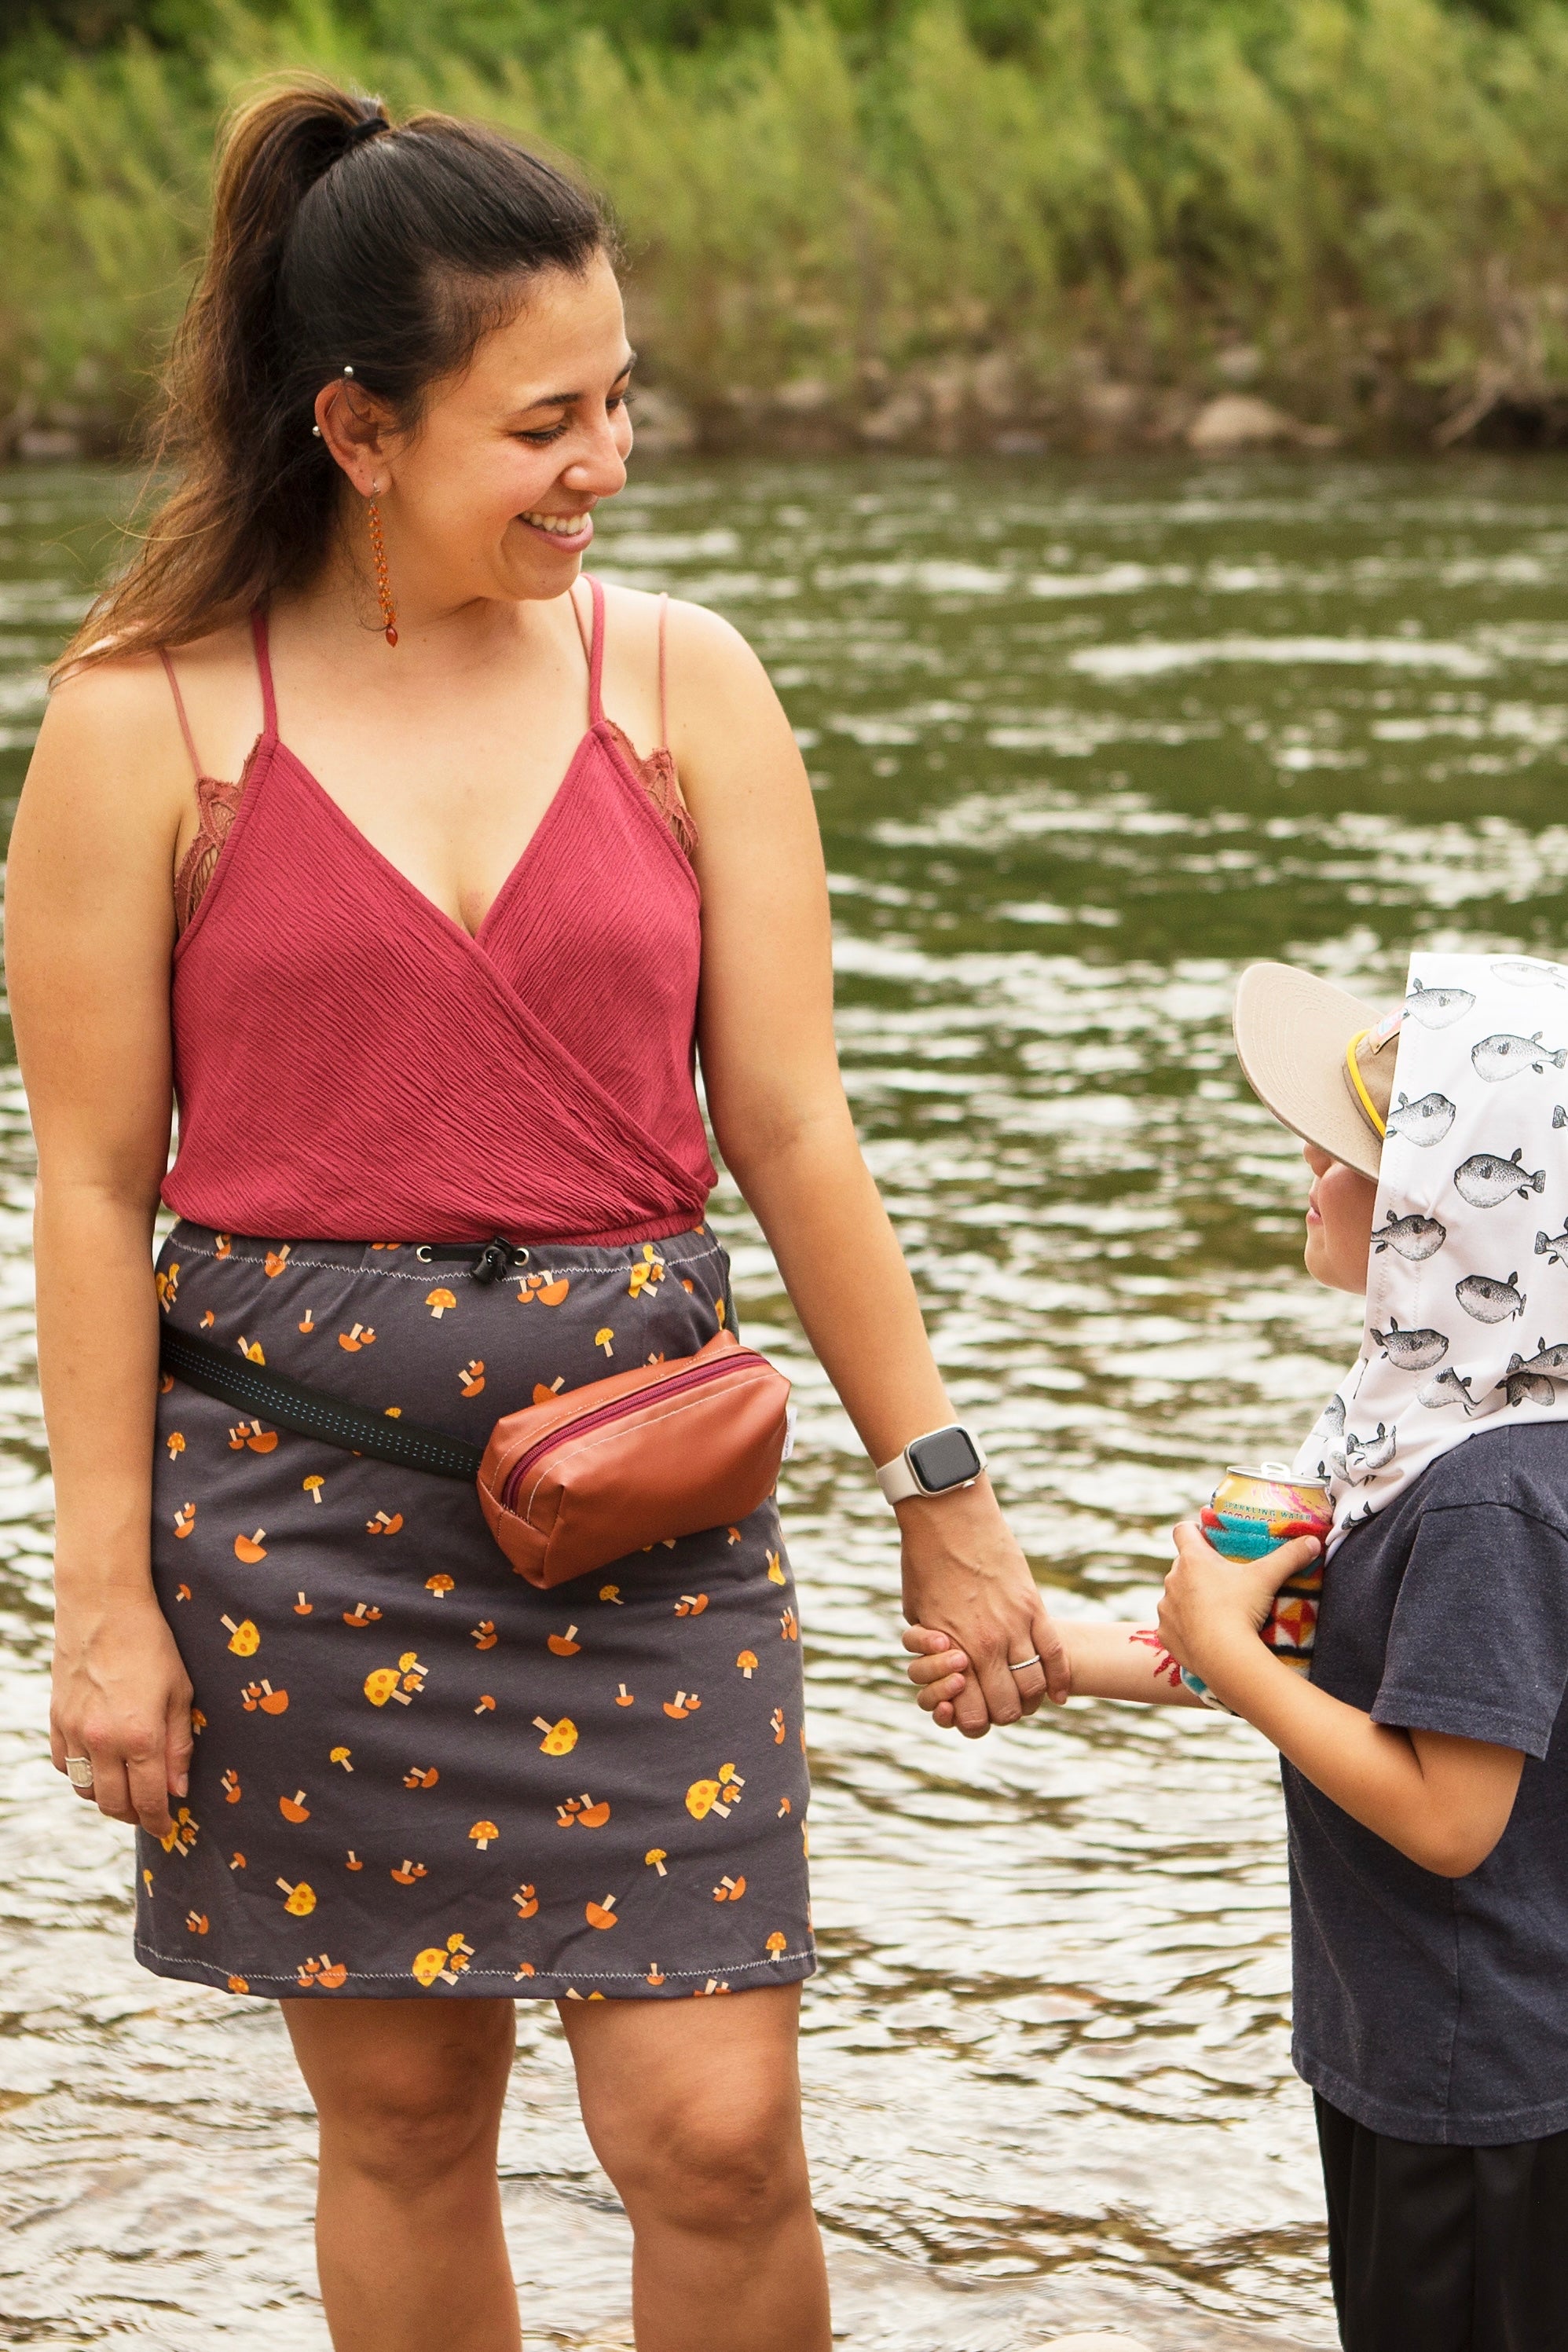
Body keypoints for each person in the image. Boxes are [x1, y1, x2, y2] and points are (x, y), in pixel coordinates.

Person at [7, 79, 1068, 2352]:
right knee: (403, 2122)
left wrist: (945, 1497)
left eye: (621, 400)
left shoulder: (682, 681)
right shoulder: (141, 720)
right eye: (546, 422)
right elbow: (88, 1190)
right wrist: (104, 1600)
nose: (609, 462)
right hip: (295, 1530)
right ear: (358, 430)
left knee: (716, 2134)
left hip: (653, 1525)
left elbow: (793, 1127)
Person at [910, 951, 1568, 2352]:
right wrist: (1051, 1656)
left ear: (1446, 1222)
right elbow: (1338, 1680)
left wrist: (1233, 1651)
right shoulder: (1436, 1428)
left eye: (1342, 1158)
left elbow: (1451, 1817)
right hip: (1422, 2050)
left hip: (1483, 2090)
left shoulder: (1490, 1496)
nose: (1306, 1173)